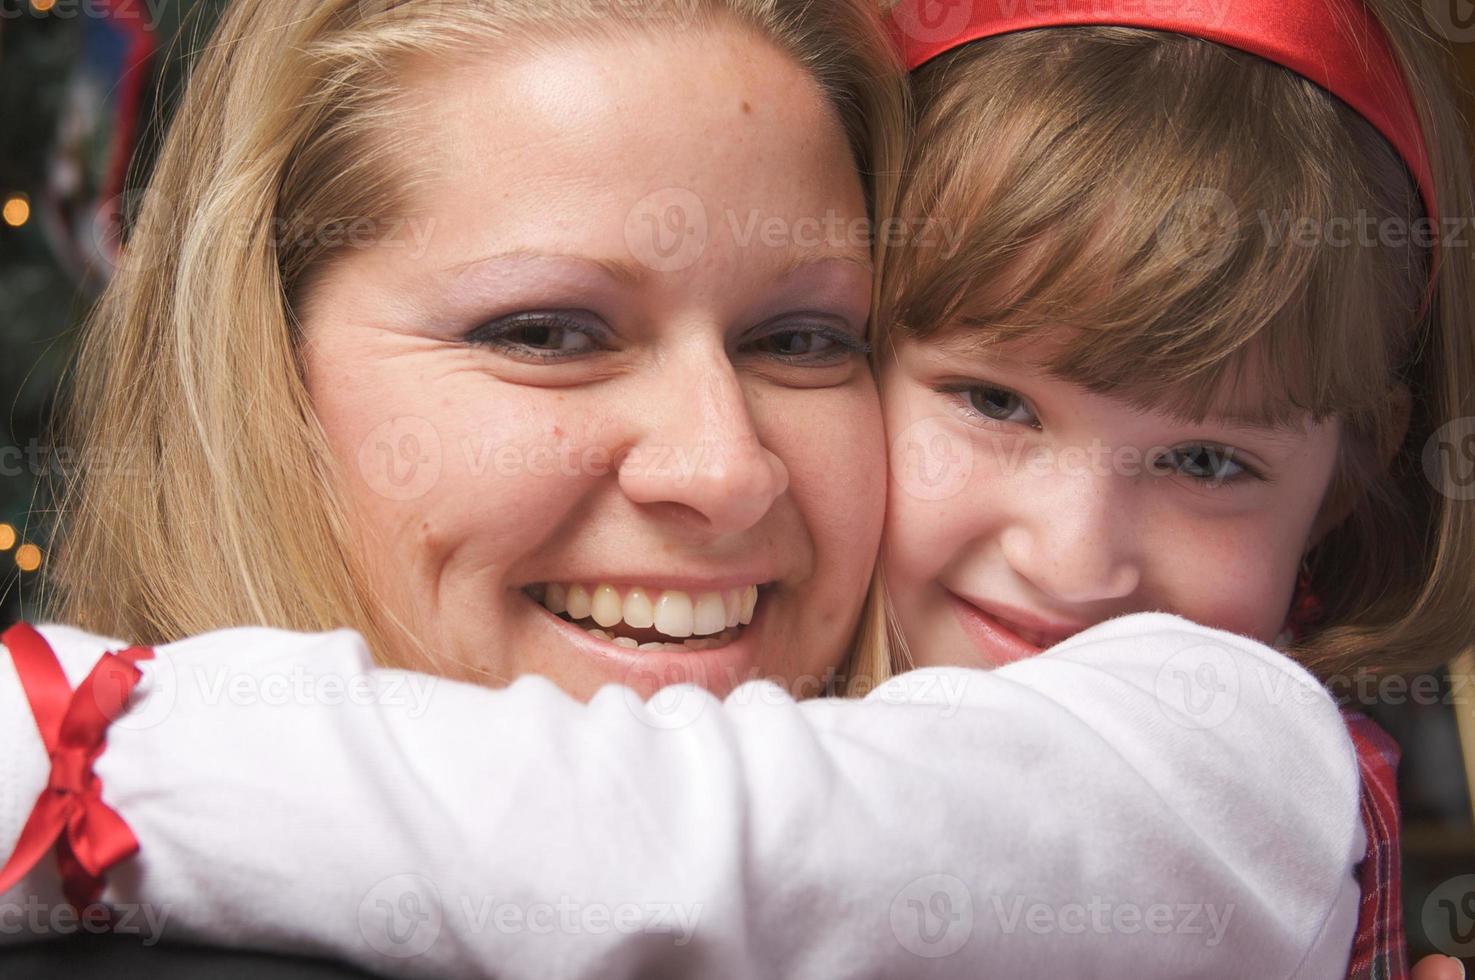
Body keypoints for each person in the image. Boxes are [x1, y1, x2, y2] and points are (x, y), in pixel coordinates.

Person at [0, 0, 1437, 976]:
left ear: (1346, 483)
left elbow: (696, 844)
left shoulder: (1226, 746)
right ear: (261, 362)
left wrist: (76, 751)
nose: (1076, 559)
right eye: (547, 331)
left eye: (800, 339)